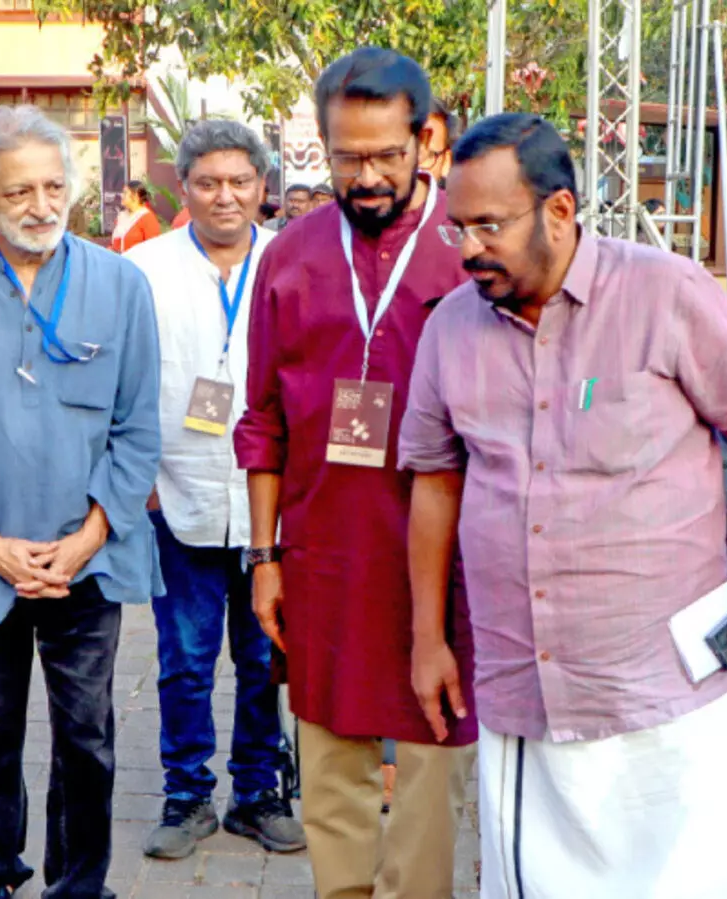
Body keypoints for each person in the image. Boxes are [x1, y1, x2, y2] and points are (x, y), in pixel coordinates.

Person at [399, 111, 727, 899]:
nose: (469, 249)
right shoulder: (449, 328)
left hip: (669, 688)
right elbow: (435, 482)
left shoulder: (665, 292)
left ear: (558, 210)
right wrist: (427, 638)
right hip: (528, 691)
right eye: (458, 228)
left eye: (489, 225)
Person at [0, 104, 161, 899]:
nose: (41, 206)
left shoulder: (120, 285)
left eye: (53, 187)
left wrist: (85, 540)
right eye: (19, 192)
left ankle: (79, 882)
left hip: (86, 560)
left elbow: (138, 429)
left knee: (87, 737)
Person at [234, 48, 475, 899]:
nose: (366, 177)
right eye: (347, 158)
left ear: (427, 138)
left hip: (446, 558)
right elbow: (262, 418)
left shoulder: (466, 248)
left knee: (433, 763)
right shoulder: (291, 256)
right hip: (324, 550)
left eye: (385, 155)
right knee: (330, 758)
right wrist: (264, 556)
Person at [124, 120, 305, 861]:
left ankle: (258, 791)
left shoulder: (292, 261)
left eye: (239, 181)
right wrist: (140, 482)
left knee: (264, 656)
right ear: (184, 188)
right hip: (179, 494)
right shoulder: (143, 270)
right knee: (185, 660)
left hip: (272, 504)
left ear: (262, 187)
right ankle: (188, 794)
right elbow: (125, 380)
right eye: (207, 182)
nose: (224, 196)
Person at [110, 180, 162, 253]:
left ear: (135, 196)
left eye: (125, 193)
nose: (122, 195)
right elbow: (115, 243)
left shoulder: (147, 218)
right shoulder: (122, 216)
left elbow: (153, 248)